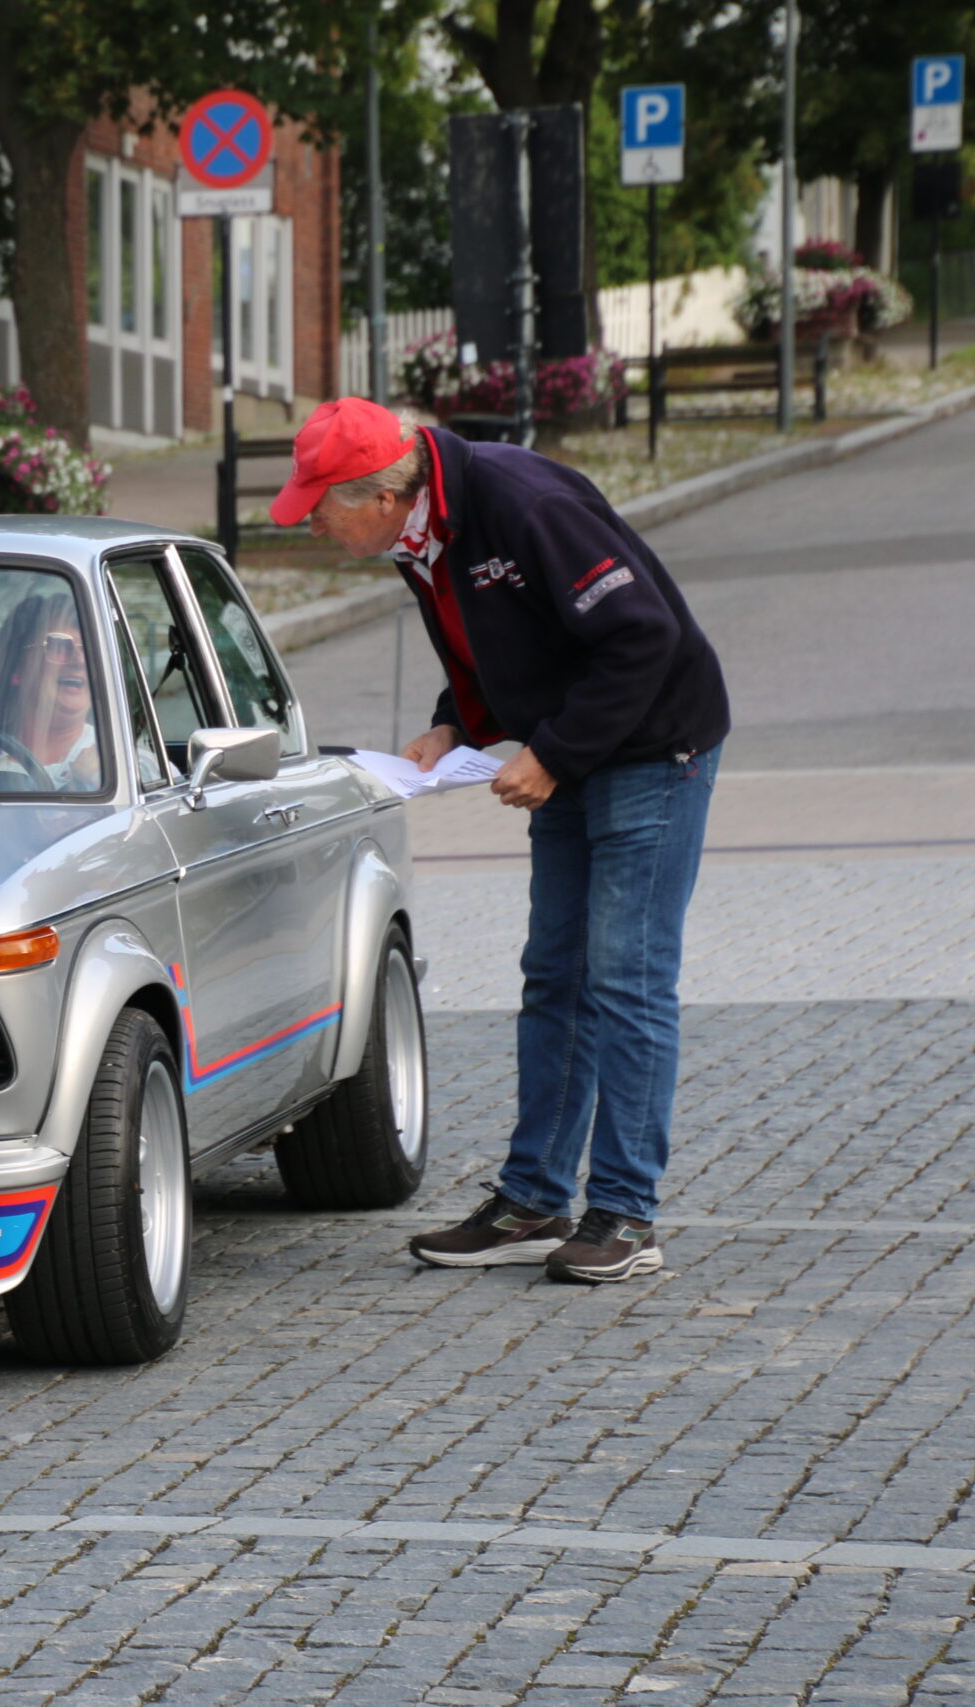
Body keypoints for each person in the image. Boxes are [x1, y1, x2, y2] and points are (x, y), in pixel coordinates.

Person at [272, 396, 729, 1284]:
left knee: (625, 978)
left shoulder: (521, 503)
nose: (312, 522)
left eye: (320, 505)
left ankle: (626, 1214)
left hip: (653, 742)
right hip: (573, 744)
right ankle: (534, 1199)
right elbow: (487, 640)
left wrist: (552, 754)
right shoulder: (422, 527)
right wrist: (456, 724)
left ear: (377, 494)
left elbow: (642, 637)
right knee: (556, 973)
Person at [0, 591, 104, 790]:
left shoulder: (124, 767)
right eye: (59, 645)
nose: (80, 661)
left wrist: (90, 780)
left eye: (89, 649)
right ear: (16, 669)